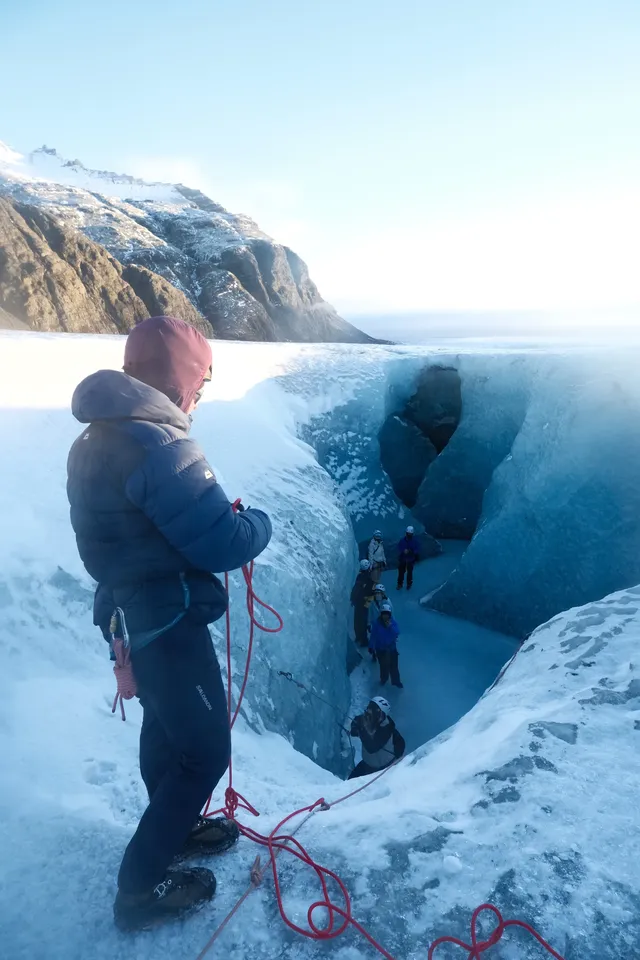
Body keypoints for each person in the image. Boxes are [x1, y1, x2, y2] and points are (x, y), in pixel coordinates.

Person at [66, 316, 272, 932]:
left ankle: (174, 828)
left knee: (164, 729)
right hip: (169, 620)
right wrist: (257, 523)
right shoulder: (160, 445)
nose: (199, 398)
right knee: (204, 752)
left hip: (130, 614)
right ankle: (140, 887)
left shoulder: (96, 438)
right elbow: (222, 542)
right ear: (180, 380)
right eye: (199, 384)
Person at [348, 697, 405, 779]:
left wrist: (361, 730)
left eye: (373, 709)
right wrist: (355, 728)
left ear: (381, 714)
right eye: (369, 707)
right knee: (349, 782)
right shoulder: (366, 719)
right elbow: (356, 722)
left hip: (383, 769)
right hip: (367, 765)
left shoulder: (386, 729)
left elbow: (372, 747)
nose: (369, 711)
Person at [369, 602, 402, 687]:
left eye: (387, 614)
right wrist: (371, 646)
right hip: (381, 650)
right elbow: (373, 636)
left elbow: (397, 632)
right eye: (384, 614)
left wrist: (390, 627)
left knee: (394, 666)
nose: (385, 616)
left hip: (392, 648)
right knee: (384, 666)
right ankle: (383, 679)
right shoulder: (377, 624)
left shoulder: (393, 623)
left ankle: (396, 682)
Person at [350, 559, 375, 647]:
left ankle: (358, 637)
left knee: (357, 620)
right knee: (363, 621)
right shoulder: (369, 578)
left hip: (358, 602)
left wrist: (353, 599)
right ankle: (363, 640)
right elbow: (371, 591)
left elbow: (355, 589)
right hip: (365, 602)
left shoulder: (359, 576)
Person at [397, 525, 419, 591]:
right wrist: (403, 550)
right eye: (408, 533)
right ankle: (400, 584)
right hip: (403, 559)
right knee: (401, 572)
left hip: (410, 559)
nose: (409, 535)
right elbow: (399, 547)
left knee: (409, 573)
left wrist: (410, 551)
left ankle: (408, 584)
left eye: (410, 534)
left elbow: (417, 549)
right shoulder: (403, 540)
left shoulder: (414, 541)